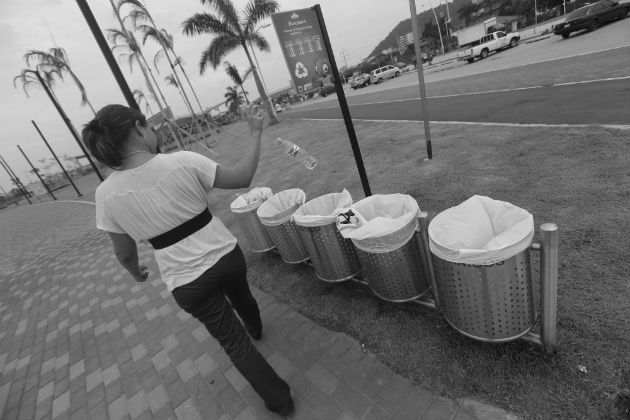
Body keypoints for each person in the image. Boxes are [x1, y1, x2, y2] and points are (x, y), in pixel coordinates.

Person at [81, 104, 294, 416]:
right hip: (225, 256)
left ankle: (280, 402)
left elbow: (124, 252)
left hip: (186, 281)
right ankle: (256, 327)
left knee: (234, 343)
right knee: (242, 295)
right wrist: (254, 132)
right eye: (150, 128)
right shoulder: (182, 161)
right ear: (140, 127)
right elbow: (242, 176)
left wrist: (135, 273)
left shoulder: (105, 194)